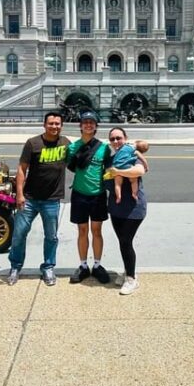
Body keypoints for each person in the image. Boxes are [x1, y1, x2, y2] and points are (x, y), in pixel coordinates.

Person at [7, 111, 70, 286]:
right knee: (19, 234)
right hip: (29, 198)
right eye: (51, 123)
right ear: (44, 125)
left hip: (52, 200)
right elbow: (22, 169)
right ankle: (15, 266)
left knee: (51, 236)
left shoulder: (65, 143)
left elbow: (78, 162)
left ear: (61, 126)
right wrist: (19, 194)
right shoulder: (33, 143)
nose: (54, 126)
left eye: (57, 124)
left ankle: (48, 267)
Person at [67, 110, 111, 284]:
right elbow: (71, 166)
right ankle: (84, 265)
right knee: (82, 231)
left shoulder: (103, 148)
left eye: (91, 122)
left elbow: (109, 170)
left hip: (98, 195)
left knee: (97, 231)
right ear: (80, 125)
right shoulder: (73, 147)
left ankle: (98, 265)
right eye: (85, 122)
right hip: (79, 194)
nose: (88, 125)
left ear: (95, 127)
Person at [104, 127, 148, 295]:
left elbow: (139, 170)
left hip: (134, 207)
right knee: (123, 242)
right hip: (116, 207)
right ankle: (129, 270)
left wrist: (118, 172)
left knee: (125, 241)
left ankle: (131, 279)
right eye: (113, 139)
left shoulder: (131, 153)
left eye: (119, 138)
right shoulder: (111, 159)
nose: (116, 141)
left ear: (125, 138)